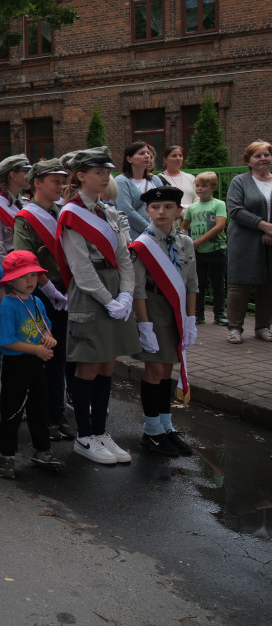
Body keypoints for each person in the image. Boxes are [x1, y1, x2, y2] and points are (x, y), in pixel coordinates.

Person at [57, 147, 140, 466]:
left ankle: (102, 431)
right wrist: (109, 300)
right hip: (90, 294)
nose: (106, 177)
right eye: (99, 173)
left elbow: (124, 257)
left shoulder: (109, 212)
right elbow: (80, 268)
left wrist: (127, 295)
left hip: (116, 289)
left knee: (108, 364)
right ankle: (84, 435)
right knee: (89, 363)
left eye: (107, 172)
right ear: (81, 176)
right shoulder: (71, 213)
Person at [130, 186, 198, 458]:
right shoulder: (142, 245)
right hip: (154, 308)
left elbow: (192, 283)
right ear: (147, 211)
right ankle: (151, 430)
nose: (161, 211)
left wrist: (191, 318)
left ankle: (166, 425)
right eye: (155, 208)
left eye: (168, 207)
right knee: (155, 370)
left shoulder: (185, 242)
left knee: (168, 367)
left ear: (179, 212)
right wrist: (144, 326)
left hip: (177, 310)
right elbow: (137, 291)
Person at [13, 158, 76, 441]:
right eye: (55, 181)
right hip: (41, 293)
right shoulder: (26, 218)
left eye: (63, 181)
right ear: (37, 183)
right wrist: (52, 292)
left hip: (67, 290)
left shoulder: (64, 212)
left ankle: (56, 410)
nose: (61, 185)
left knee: (60, 355)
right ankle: (43, 416)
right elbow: (26, 260)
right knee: (41, 356)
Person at [0, 251, 66, 479]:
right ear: (11, 279)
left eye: (34, 275)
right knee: (12, 410)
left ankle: (43, 450)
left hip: (37, 362)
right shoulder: (8, 304)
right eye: (24, 276)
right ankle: (7, 456)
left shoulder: (35, 301)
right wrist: (36, 349)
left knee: (40, 407)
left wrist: (48, 337)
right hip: (17, 364)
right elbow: (6, 341)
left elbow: (43, 326)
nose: (30, 280)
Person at [225, 141, 272, 344]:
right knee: (240, 283)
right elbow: (235, 209)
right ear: (248, 161)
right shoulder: (240, 181)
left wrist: (271, 230)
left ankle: (263, 326)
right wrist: (262, 225)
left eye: (266, 155)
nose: (263, 159)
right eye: (257, 156)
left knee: (268, 284)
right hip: (244, 239)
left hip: (270, 238)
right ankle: (235, 328)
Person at [181, 172, 228, 326]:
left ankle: (219, 313)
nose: (200, 189)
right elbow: (184, 226)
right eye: (198, 185)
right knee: (198, 283)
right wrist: (186, 240)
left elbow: (220, 225)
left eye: (204, 186)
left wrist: (199, 240)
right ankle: (198, 314)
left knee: (218, 283)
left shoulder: (218, 204)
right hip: (197, 252)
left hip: (216, 250)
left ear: (213, 187)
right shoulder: (193, 207)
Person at [0, 154, 32, 260]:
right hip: (11, 268)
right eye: (26, 171)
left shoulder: (25, 203)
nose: (30, 175)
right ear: (13, 175)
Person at [114, 141, 164, 238]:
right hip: (134, 237)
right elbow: (126, 211)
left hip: (159, 235)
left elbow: (164, 204)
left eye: (148, 153)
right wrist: (150, 230)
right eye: (141, 153)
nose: (147, 156)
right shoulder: (121, 181)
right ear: (129, 159)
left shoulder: (156, 180)